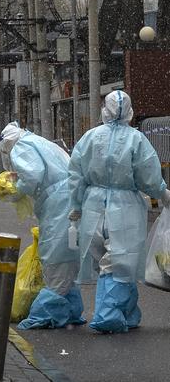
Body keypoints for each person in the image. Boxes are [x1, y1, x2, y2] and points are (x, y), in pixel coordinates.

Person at [68, 91, 170, 333]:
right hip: (125, 207)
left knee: (109, 260)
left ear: (105, 109)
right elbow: (150, 177)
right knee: (120, 262)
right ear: (129, 111)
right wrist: (164, 195)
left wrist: (75, 207)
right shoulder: (137, 140)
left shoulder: (90, 138)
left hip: (93, 205)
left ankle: (128, 311)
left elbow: (75, 175)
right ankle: (109, 314)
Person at [0, 122, 85, 330]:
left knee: (56, 253)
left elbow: (32, 175)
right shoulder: (40, 142)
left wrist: (15, 190)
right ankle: (70, 308)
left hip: (59, 202)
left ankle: (45, 312)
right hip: (71, 197)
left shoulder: (21, 146)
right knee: (67, 253)